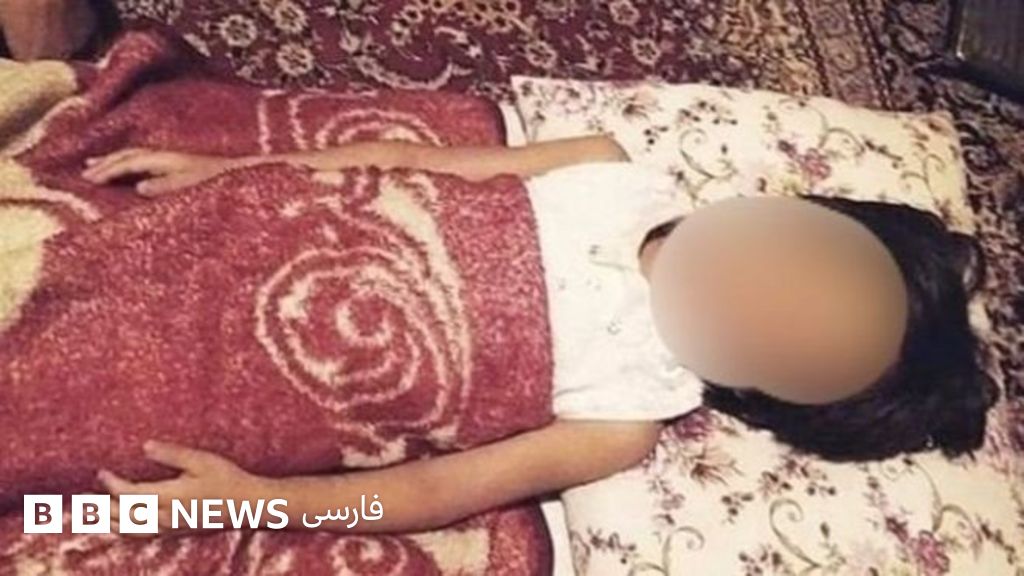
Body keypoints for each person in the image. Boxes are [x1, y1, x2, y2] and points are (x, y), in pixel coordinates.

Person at [80, 134, 996, 535]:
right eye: (811, 277)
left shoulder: (626, 418)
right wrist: (234, 167)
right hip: (266, 232)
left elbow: (430, 491)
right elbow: (399, 163)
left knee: (78, 491)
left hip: (272, 380)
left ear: (769, 391)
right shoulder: (606, 168)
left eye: (794, 346)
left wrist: (247, 504)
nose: (767, 305)